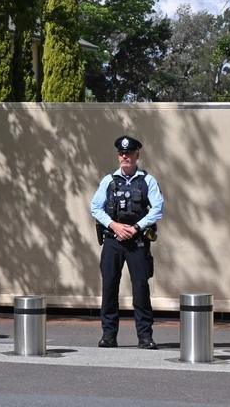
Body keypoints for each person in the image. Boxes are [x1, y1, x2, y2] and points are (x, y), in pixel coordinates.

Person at [90, 135, 164, 350]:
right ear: (118, 156)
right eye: (122, 154)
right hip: (113, 241)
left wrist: (135, 228)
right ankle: (108, 336)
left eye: (129, 153)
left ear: (137, 155)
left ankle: (145, 337)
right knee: (109, 287)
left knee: (141, 288)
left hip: (137, 241)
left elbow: (158, 209)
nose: (125, 157)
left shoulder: (147, 181)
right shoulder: (108, 181)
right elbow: (96, 207)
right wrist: (114, 226)